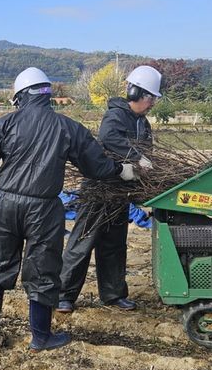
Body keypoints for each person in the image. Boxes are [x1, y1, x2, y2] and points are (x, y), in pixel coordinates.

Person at [0, 67, 137, 352]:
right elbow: (95, 166)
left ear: (21, 96)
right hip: (44, 208)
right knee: (42, 270)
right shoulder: (67, 127)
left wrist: (7, 172)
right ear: (47, 94)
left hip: (5, 205)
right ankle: (40, 337)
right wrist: (120, 169)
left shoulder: (5, 124)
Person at [57, 64, 162, 314]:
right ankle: (64, 295)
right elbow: (109, 138)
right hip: (99, 188)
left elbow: (147, 152)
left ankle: (114, 295)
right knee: (82, 242)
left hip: (121, 192)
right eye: (149, 98)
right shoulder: (116, 116)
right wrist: (136, 156)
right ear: (135, 93)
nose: (151, 104)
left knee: (115, 244)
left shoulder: (143, 124)